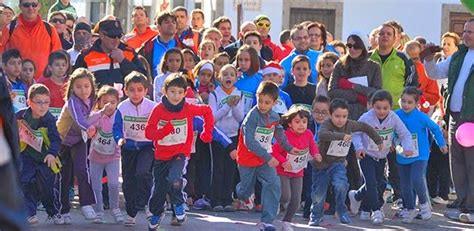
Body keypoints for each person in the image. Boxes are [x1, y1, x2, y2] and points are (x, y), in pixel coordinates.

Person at [145, 73, 214, 230]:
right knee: (159, 189)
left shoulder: (187, 108)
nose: (176, 96)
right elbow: (149, 133)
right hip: (161, 156)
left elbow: (207, 111)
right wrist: (165, 131)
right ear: (165, 91)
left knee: (175, 178)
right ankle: (157, 212)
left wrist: (207, 132)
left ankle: (178, 203)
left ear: (185, 93)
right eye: (172, 92)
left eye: (180, 92)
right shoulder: (158, 110)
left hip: (180, 153)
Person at [423, 18, 474, 223]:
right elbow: (435, 73)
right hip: (455, 117)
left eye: (471, 32)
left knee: (472, 164)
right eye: (465, 31)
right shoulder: (458, 56)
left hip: (472, 118)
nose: (466, 35)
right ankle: (463, 204)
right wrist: (428, 58)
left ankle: (472, 207)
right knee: (458, 164)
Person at [235, 81, 298, 231]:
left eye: (267, 102)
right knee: (245, 189)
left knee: (273, 183)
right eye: (260, 101)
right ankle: (243, 195)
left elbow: (279, 133)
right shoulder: (251, 117)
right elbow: (249, 141)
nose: (262, 105)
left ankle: (267, 221)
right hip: (247, 159)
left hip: (264, 159)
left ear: (275, 103)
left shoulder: (275, 116)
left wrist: (288, 147)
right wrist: (269, 157)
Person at [308, 98, 382, 226]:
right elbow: (322, 135)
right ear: (330, 115)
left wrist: (378, 140)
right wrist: (341, 136)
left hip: (338, 162)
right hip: (321, 164)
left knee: (341, 185)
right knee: (319, 193)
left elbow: (365, 127)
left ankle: (341, 210)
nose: (341, 120)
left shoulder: (349, 124)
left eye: (344, 116)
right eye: (337, 116)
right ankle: (316, 215)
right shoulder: (326, 124)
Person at [369, 23, 418, 207]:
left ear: (397, 38)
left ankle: (398, 196)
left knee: (396, 158)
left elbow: (413, 86)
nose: (384, 36)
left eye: (389, 34)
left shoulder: (404, 59)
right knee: (374, 157)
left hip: (397, 115)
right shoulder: (368, 58)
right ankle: (375, 196)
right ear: (376, 36)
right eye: (381, 33)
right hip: (373, 116)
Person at [348, 90, 413, 224]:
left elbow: (404, 134)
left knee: (377, 183)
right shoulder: (366, 118)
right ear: (372, 105)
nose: (382, 111)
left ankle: (356, 196)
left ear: (391, 106)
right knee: (371, 182)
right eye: (378, 108)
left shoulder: (393, 117)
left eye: (385, 108)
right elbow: (356, 133)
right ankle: (376, 211)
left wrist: (407, 147)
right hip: (366, 154)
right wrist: (359, 147)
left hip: (382, 155)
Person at [395, 87, 447, 223]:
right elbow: (389, 129)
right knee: (405, 184)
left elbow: (435, 128)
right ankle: (410, 209)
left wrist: (441, 143)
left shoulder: (421, 117)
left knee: (417, 178)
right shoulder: (395, 115)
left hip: (420, 155)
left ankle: (424, 205)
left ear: (416, 104)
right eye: (403, 101)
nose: (406, 105)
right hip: (403, 154)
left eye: (410, 102)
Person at [56, 68, 99, 224]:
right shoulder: (72, 102)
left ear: (92, 86)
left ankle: (87, 204)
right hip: (62, 142)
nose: (83, 90)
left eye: (87, 86)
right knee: (64, 177)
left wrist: (102, 114)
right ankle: (63, 210)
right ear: (72, 88)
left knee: (82, 170)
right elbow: (81, 121)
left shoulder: (92, 100)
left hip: (78, 140)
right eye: (79, 86)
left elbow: (90, 118)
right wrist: (91, 127)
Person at [113, 71, 156, 226]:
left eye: (139, 90)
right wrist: (119, 139)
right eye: (131, 90)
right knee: (128, 181)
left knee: (143, 173)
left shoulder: (153, 107)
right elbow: (117, 127)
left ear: (146, 90)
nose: (136, 93)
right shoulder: (122, 107)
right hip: (129, 147)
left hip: (147, 146)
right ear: (125, 91)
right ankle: (131, 214)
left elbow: (160, 124)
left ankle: (147, 204)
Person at [17, 83, 64, 225]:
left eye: (46, 102)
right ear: (29, 102)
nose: (42, 106)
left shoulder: (49, 119)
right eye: (38, 102)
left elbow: (56, 139)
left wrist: (51, 153)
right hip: (26, 156)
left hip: (45, 158)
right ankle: (30, 213)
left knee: (48, 188)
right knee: (26, 182)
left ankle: (53, 212)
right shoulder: (20, 116)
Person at [272, 106, 322, 231]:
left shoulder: (309, 134)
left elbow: (312, 146)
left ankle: (286, 221)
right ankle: (273, 201)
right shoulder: (285, 136)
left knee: (296, 200)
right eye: (297, 122)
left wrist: (316, 154)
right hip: (283, 171)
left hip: (298, 171)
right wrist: (283, 162)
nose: (301, 125)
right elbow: (274, 151)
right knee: (285, 196)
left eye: (304, 122)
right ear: (290, 124)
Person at [208, 64, 244, 212]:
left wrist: (234, 106)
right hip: (218, 136)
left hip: (233, 135)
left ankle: (227, 200)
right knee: (218, 168)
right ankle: (215, 200)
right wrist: (227, 106)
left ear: (236, 78)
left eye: (231, 74)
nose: (228, 77)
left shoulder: (239, 94)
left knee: (230, 169)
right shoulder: (214, 95)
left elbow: (240, 117)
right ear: (219, 77)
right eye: (225, 74)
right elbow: (213, 118)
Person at [74, 18, 146, 87]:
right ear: (101, 35)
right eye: (112, 36)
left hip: (125, 98)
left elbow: (143, 79)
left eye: (119, 36)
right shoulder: (86, 56)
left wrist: (123, 61)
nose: (116, 40)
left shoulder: (129, 52)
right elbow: (75, 83)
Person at [88, 86, 124, 224]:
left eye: (113, 102)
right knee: (96, 186)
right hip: (95, 157)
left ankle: (115, 209)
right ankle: (98, 211)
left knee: (114, 184)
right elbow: (89, 126)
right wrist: (91, 130)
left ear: (117, 102)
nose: (109, 105)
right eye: (105, 102)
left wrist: (121, 139)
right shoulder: (97, 115)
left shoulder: (118, 116)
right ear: (99, 102)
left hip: (113, 157)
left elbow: (121, 130)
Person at [1, 0, 62, 79]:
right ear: (20, 7)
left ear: (39, 6)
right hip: (17, 83)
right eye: (26, 5)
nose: (31, 8)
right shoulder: (10, 28)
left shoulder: (49, 29)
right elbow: (1, 54)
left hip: (43, 82)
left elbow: (58, 57)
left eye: (34, 5)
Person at [139, 11, 185, 78]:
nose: (171, 24)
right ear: (158, 26)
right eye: (167, 22)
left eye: (173, 22)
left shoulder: (182, 48)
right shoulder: (146, 48)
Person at [38, 50, 70, 118]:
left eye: (63, 65)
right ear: (50, 68)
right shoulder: (43, 84)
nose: (61, 68)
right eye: (57, 65)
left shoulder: (70, 84)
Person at [234, 45, 263, 115]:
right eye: (240, 60)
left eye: (246, 60)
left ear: (253, 60)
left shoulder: (260, 79)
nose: (243, 63)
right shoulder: (232, 76)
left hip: (251, 116)